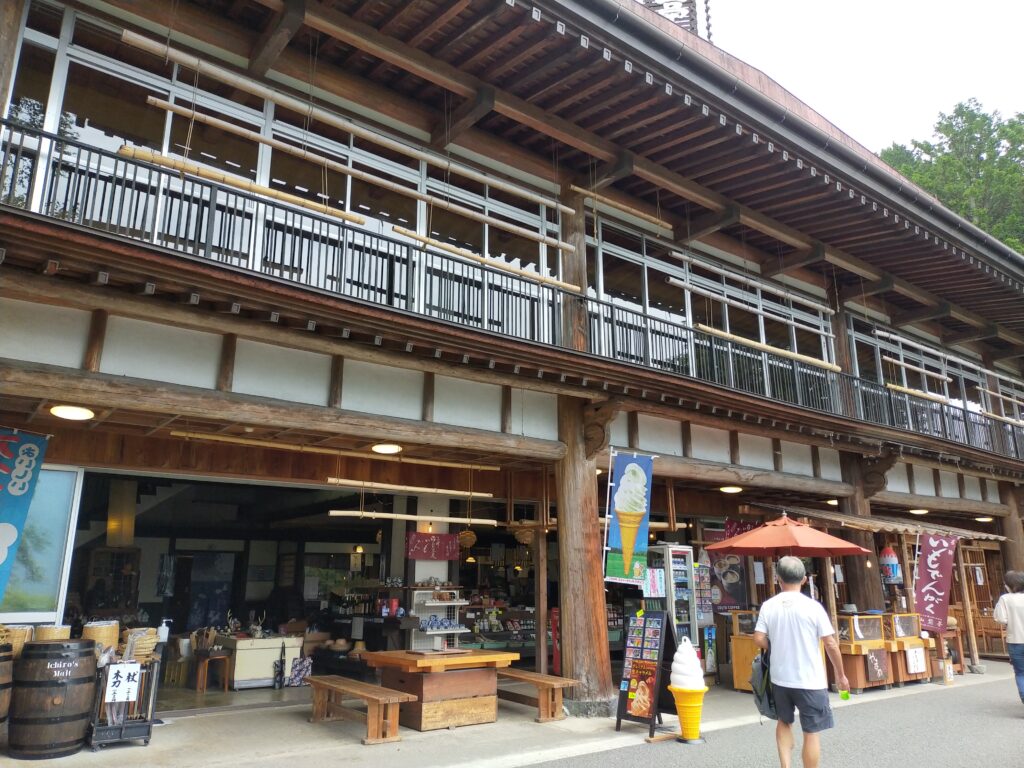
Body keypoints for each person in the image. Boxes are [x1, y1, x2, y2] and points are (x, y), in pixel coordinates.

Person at [753, 556, 849, 768]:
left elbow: (758, 639)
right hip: (810, 680)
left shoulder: (769, 606)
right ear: (804, 579)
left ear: (778, 579)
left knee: (784, 722)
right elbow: (831, 644)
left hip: (780, 679)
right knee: (811, 732)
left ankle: (785, 766)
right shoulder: (813, 607)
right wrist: (841, 675)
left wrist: (775, 644)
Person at [993, 570, 1024, 705]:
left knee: (1021, 673)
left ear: (1009, 585)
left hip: (1015, 640)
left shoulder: (1005, 599)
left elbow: (1001, 618)